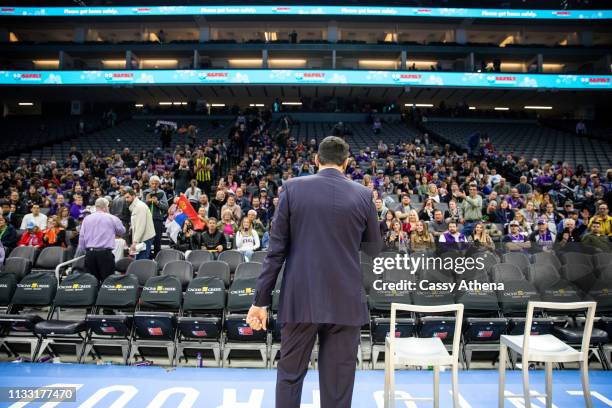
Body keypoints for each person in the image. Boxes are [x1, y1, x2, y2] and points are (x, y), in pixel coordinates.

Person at [247, 136, 382, 408]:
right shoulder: (363, 194)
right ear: (346, 163)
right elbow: (374, 250)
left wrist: (260, 301)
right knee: (338, 385)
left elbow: (275, 252)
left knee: (290, 377)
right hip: (345, 301)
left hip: (300, 300)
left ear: (316, 160)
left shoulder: (291, 189)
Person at [78, 198, 126, 282]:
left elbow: (82, 238)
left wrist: (86, 252)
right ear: (105, 207)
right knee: (107, 282)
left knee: (91, 282)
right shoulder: (112, 218)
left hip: (90, 254)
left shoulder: (86, 219)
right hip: (105, 254)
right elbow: (122, 231)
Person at [124, 187, 155, 260]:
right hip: (142, 238)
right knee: (140, 260)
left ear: (134, 196)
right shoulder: (135, 206)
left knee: (141, 261)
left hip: (145, 238)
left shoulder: (139, 207)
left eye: (128, 197)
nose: (126, 200)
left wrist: (135, 242)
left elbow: (141, 226)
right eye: (125, 198)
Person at [143, 176, 169, 258]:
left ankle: (157, 258)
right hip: (146, 219)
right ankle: (147, 257)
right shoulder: (145, 192)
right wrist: (147, 201)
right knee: (146, 239)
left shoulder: (162, 193)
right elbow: (141, 206)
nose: (154, 185)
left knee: (157, 240)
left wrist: (157, 202)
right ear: (149, 184)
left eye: (156, 183)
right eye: (152, 183)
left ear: (159, 184)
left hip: (158, 219)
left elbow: (166, 207)